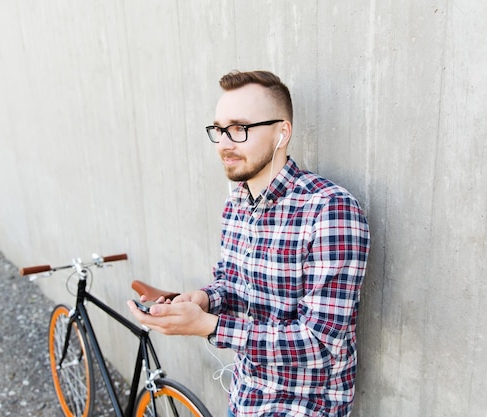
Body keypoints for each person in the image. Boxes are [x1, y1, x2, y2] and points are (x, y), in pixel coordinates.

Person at [128, 70, 370, 417]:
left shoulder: (329, 210)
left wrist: (208, 326)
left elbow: (320, 345)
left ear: (281, 133)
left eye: (239, 128)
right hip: (245, 399)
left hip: (301, 408)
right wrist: (203, 299)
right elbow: (231, 283)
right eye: (219, 130)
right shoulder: (236, 204)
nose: (225, 143)